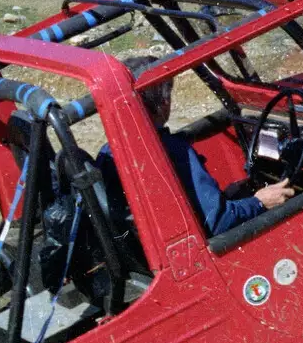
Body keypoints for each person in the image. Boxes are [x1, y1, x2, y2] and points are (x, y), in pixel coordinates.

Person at [121, 54, 294, 235]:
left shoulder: (110, 151)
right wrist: (259, 202)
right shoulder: (171, 150)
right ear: (164, 102)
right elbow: (218, 220)